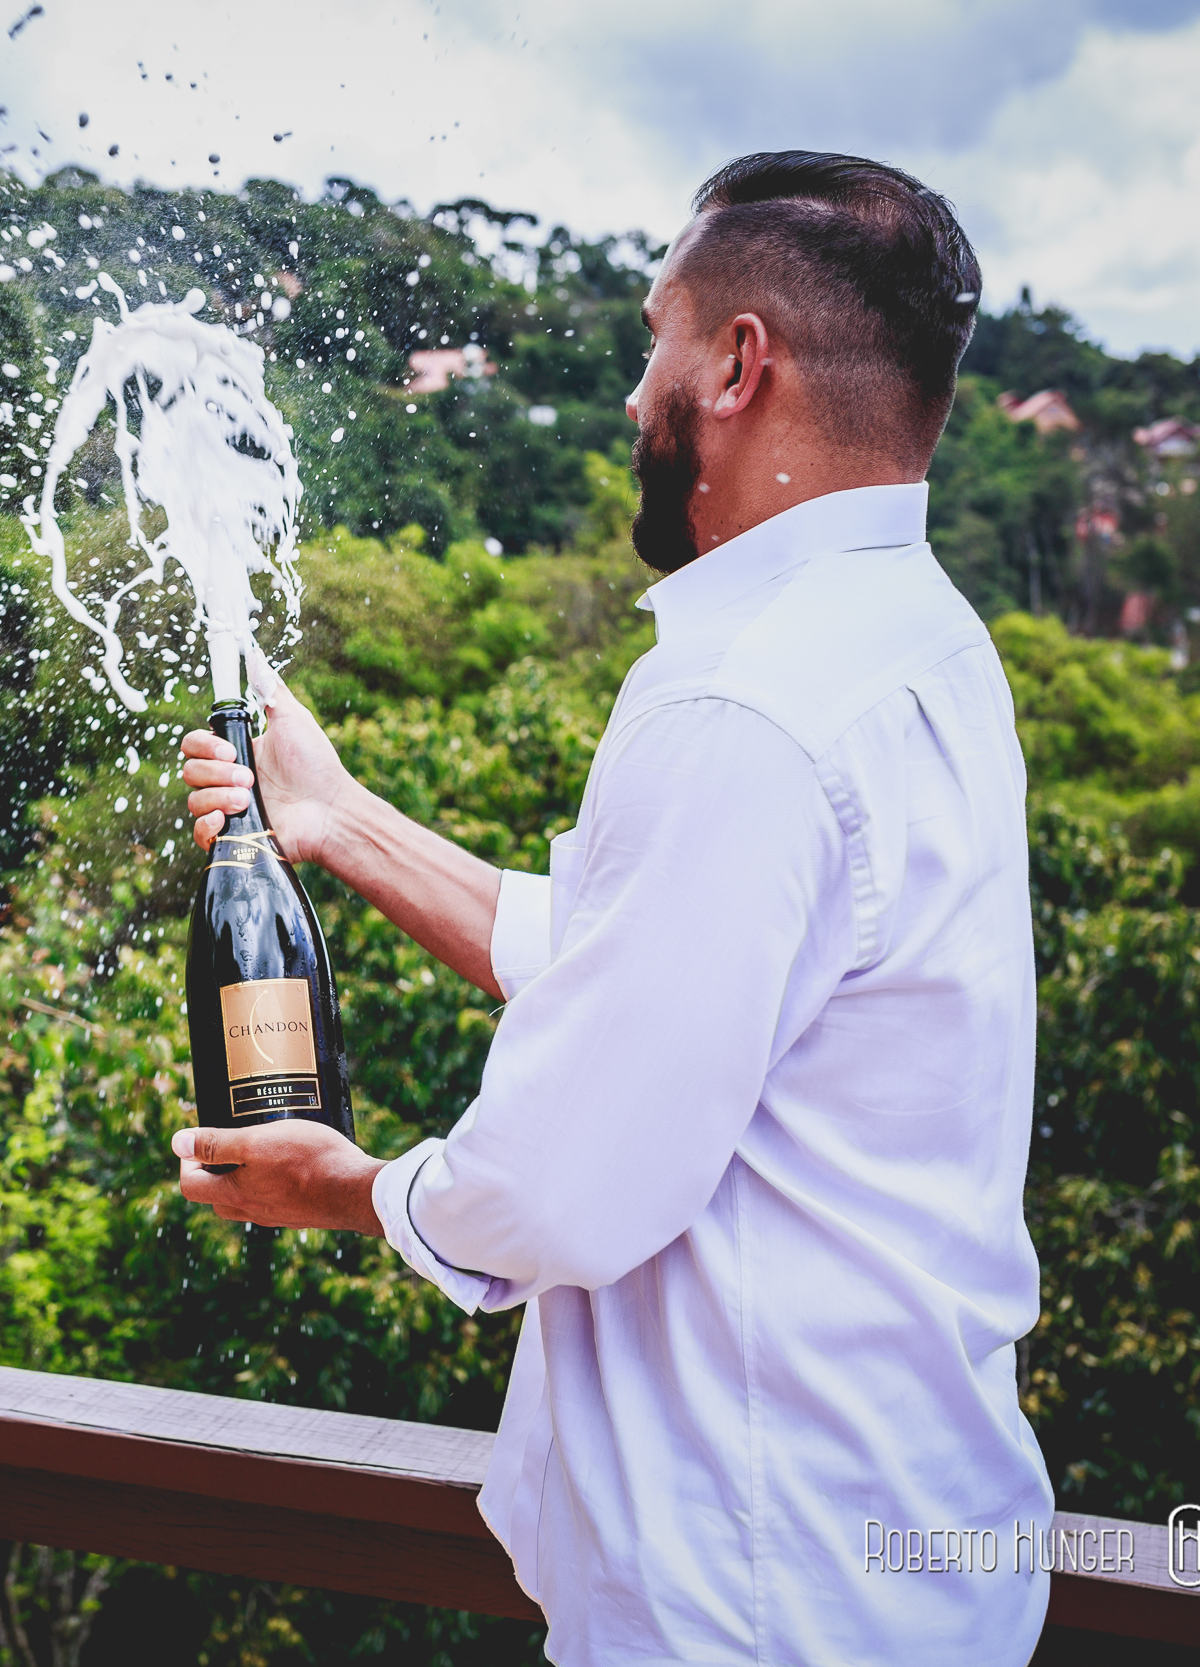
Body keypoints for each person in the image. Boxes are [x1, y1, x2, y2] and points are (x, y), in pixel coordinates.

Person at [172, 152, 1055, 1664]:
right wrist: (342, 820)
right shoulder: (921, 642)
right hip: (912, 1563)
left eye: (657, 341)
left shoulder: (743, 702)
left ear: (738, 364)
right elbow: (635, 972)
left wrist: (344, 1188)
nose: (633, 394)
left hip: (761, 1601)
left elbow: (558, 1190)